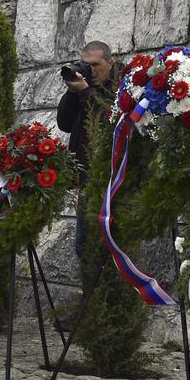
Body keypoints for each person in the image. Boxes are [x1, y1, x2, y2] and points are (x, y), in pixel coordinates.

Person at [56, 41, 118, 258]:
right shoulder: (84, 88)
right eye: (85, 64)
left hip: (113, 180)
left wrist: (85, 91)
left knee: (110, 247)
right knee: (84, 245)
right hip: (86, 178)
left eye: (95, 64)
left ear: (111, 62)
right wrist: (73, 92)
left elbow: (110, 121)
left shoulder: (123, 87)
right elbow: (64, 123)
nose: (90, 70)